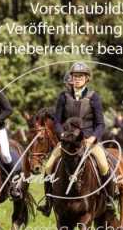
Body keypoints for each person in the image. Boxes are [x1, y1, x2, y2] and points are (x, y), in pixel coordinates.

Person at [36, 61, 117, 217]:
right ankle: (48, 202)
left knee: (104, 165)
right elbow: (58, 121)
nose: (77, 79)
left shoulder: (94, 97)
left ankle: (109, 199)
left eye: (81, 76)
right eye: (75, 76)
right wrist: (61, 135)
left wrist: (93, 137)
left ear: (87, 78)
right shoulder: (63, 97)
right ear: (71, 78)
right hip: (67, 141)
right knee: (48, 166)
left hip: (87, 141)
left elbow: (100, 123)